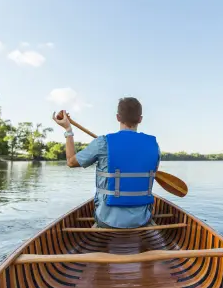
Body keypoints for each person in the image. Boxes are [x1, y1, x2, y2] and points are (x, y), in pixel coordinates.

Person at [52, 97, 160, 228]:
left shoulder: (102, 142)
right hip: (142, 220)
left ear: (118, 117)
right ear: (140, 119)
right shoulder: (154, 146)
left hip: (107, 221)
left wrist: (68, 130)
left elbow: (71, 161)